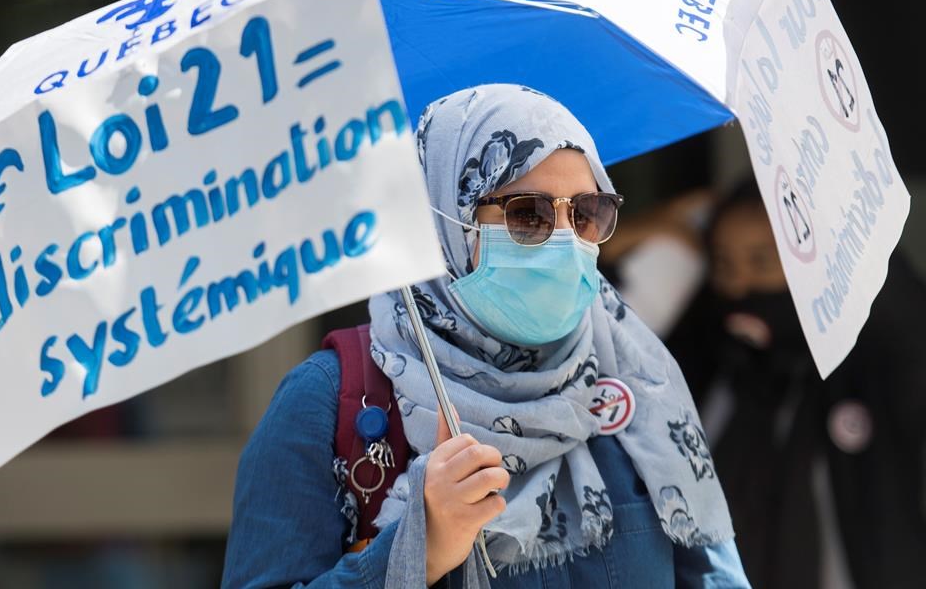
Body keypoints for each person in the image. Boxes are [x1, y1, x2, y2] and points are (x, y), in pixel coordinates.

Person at [221, 84, 750, 588]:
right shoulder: (324, 403)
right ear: (444, 222)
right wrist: (416, 553)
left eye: (586, 214)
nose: (564, 242)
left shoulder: (635, 383)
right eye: (527, 214)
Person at [667, 180, 926, 589]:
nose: (739, 286)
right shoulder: (701, 365)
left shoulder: (872, 372)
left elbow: (907, 318)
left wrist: (842, 217)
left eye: (763, 262)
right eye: (724, 265)